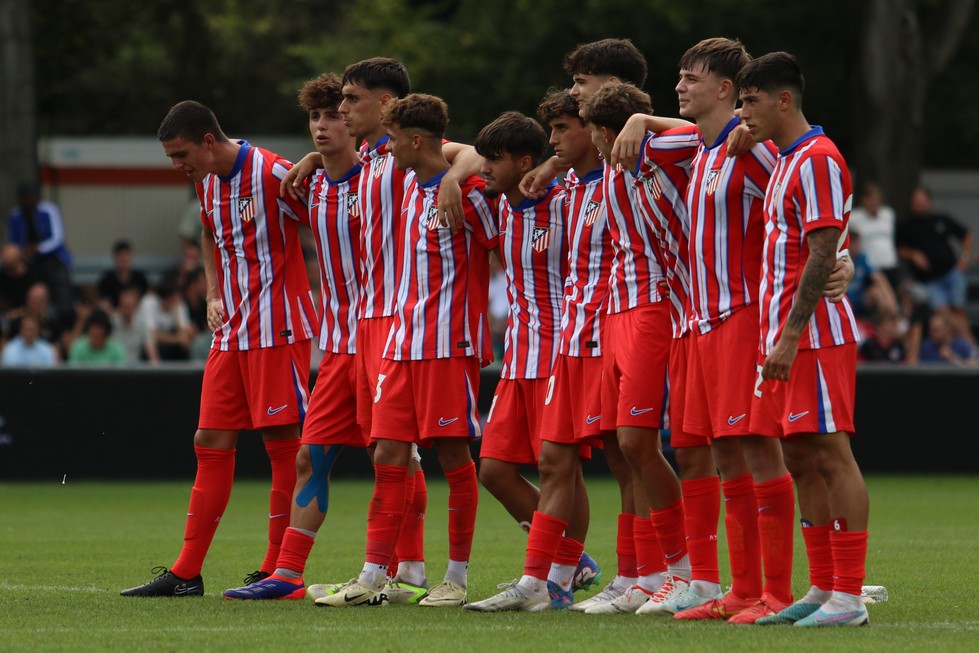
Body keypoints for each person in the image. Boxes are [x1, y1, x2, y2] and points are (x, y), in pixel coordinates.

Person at [121, 100, 315, 597]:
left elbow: (330, 227)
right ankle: (186, 572)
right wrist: (212, 292)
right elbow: (209, 233)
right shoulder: (204, 180)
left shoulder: (274, 173)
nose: (176, 165)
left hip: (279, 330)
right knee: (209, 440)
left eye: (181, 153)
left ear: (209, 141)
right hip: (232, 331)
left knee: (281, 447)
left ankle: (279, 571)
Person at [318, 94, 497, 609]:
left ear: (415, 141)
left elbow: (505, 249)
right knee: (390, 454)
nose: (386, 148)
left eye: (393, 140)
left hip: (446, 347)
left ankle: (456, 578)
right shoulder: (407, 191)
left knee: (455, 456)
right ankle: (374, 574)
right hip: (401, 345)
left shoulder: (471, 193)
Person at [222, 72, 379, 601]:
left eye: (335, 114)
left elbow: (450, 154)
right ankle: (288, 575)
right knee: (311, 458)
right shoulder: (305, 184)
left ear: (356, 121)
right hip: (336, 346)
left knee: (394, 457)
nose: (323, 125)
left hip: (385, 340)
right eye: (315, 117)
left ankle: (410, 571)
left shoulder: (382, 177)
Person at [468, 89, 615, 613]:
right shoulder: (498, 209)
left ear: (524, 162)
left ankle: (550, 573)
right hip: (519, 358)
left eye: (494, 160)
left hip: (563, 353)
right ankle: (573, 563)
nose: (483, 168)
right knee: (495, 471)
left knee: (560, 468)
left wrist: (555, 165)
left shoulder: (567, 199)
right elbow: (449, 154)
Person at [738, 51, 870, 627]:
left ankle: (850, 595)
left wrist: (790, 336)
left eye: (750, 101)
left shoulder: (817, 158)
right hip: (786, 336)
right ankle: (821, 588)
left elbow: (822, 253)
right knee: (797, 454)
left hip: (814, 337)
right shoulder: (787, 160)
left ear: (782, 99)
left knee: (831, 453)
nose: (745, 113)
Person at [897, 185, 974, 342]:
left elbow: (967, 234)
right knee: (944, 312)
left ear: (929, 202)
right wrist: (913, 254)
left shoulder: (941, 219)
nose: (919, 205)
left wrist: (964, 258)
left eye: (922, 201)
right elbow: (899, 249)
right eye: (916, 202)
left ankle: (965, 348)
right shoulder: (906, 226)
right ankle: (971, 343)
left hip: (952, 273)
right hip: (930, 281)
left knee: (959, 311)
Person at [6, 182, 73, 314]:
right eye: (25, 199)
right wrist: (20, 254)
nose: (28, 203)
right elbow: (11, 242)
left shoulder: (49, 210)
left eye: (30, 199)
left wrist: (38, 248)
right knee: (16, 280)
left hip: (53, 259)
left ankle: (65, 315)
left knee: (60, 284)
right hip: (27, 261)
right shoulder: (15, 215)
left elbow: (57, 238)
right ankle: (19, 314)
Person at [849, 183, 900, 289]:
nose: (873, 203)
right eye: (870, 199)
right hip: (871, 269)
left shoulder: (888, 214)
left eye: (876, 199)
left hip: (891, 265)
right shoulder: (854, 217)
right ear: (863, 201)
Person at [96, 240, 150, 308]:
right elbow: (103, 302)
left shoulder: (140, 278)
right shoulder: (106, 280)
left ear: (131, 256)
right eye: (120, 255)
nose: (124, 258)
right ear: (115, 258)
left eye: (126, 255)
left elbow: (147, 299)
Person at [112, 285, 154, 363]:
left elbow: (152, 352)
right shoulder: (111, 323)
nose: (128, 311)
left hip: (135, 370)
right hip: (114, 369)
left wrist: (156, 371)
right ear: (120, 306)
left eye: (131, 306)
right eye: (125, 306)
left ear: (136, 307)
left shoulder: (142, 324)